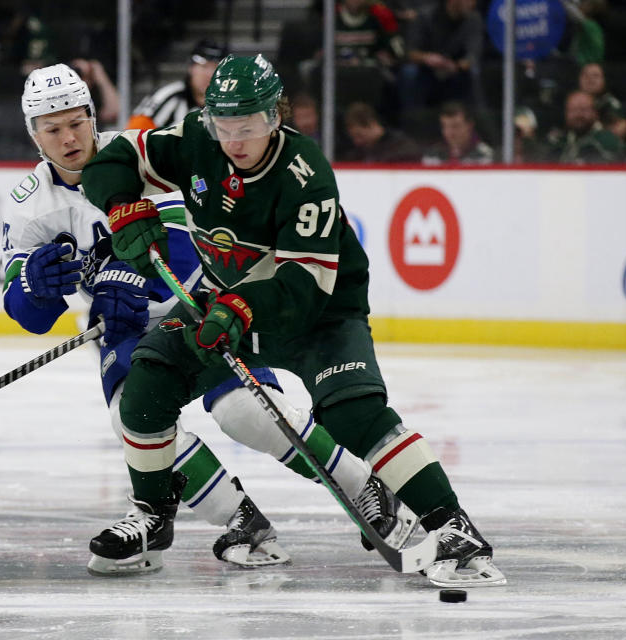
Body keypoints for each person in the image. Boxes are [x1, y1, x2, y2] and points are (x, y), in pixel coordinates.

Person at [81, 53, 505, 588]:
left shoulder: (306, 176)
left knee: (353, 414)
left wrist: (240, 307)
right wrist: (122, 203)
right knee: (145, 388)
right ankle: (152, 517)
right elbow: (114, 154)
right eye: (223, 125)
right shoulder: (195, 140)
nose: (234, 141)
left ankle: (453, 528)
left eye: (249, 126)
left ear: (276, 117)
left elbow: (304, 286)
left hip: (320, 315)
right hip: (228, 305)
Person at [5, 63, 411, 575]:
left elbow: (187, 245)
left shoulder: (134, 156)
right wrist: (33, 289)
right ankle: (239, 520)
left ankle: (362, 487)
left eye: (76, 122)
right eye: (52, 128)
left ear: (92, 115)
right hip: (126, 328)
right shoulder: (29, 205)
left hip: (202, 303)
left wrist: (127, 280)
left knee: (245, 412)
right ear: (33, 134)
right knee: (131, 415)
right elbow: (28, 315)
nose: (68, 138)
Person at [398, 0, 483, 112]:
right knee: (409, 72)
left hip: (456, 68)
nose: (472, 3)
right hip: (425, 68)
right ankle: (413, 118)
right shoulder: (425, 16)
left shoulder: (473, 19)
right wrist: (427, 57)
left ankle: (478, 118)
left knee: (474, 71)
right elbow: (410, 52)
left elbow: (473, 54)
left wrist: (456, 66)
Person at [126, 39, 228, 130]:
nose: (209, 75)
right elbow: (134, 137)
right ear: (191, 68)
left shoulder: (232, 102)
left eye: (216, 68)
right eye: (204, 67)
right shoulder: (167, 96)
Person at [546, 89, 623, 163]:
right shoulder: (558, 144)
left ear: (595, 113)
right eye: (573, 110)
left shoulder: (608, 141)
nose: (578, 114)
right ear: (566, 113)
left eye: (584, 109)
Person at [339, 101, 422, 162]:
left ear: (371, 124)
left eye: (359, 135)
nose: (356, 141)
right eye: (353, 137)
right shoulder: (358, 153)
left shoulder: (401, 145)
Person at [421, 101, 494, 165]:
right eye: (445, 126)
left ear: (470, 125)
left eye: (455, 126)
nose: (450, 133)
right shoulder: (433, 155)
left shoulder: (486, 156)